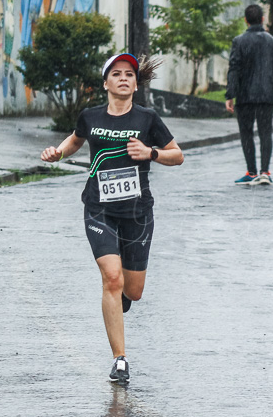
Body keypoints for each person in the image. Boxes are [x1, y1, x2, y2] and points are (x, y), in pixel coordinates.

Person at [41, 54, 184, 384]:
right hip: (99, 209)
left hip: (137, 212)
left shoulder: (148, 119)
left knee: (132, 291)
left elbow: (177, 155)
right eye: (116, 74)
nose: (123, 78)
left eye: (129, 75)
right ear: (105, 83)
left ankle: (119, 300)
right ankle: (120, 360)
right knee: (112, 278)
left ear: (136, 83)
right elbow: (75, 140)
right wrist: (57, 152)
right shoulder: (90, 116)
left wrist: (152, 153)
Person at [224, 4, 273, 186]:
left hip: (245, 96)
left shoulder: (239, 41)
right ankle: (265, 171)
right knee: (266, 133)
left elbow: (234, 69)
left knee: (247, 133)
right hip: (267, 96)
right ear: (263, 19)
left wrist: (230, 95)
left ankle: (251, 172)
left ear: (245, 20)